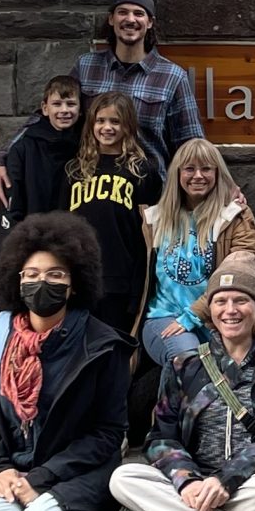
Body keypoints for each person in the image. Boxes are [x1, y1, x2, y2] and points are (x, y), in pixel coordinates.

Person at [0, 214, 132, 511]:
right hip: (11, 468)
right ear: (17, 280)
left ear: (75, 284)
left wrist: (42, 476)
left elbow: (108, 433)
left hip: (74, 472)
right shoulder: (1, 334)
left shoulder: (102, 346)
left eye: (55, 275)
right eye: (32, 275)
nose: (42, 283)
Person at [111, 263, 255, 511]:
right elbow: (161, 438)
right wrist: (186, 480)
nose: (230, 310)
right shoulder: (184, 364)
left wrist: (227, 479)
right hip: (196, 481)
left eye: (241, 300)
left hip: (252, 482)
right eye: (220, 301)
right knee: (123, 478)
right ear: (210, 310)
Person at [0, 0, 201, 208]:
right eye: (123, 12)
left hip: (149, 197)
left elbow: (192, 143)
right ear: (112, 19)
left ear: (150, 22)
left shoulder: (172, 76)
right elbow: (49, 115)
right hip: (89, 193)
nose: (130, 19)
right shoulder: (87, 66)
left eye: (139, 14)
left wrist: (224, 187)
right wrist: (4, 157)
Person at [140, 139, 255, 363]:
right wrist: (182, 321)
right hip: (165, 317)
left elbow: (238, 277)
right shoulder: (154, 219)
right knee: (189, 361)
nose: (198, 175)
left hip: (220, 318)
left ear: (217, 173)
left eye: (206, 168)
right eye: (189, 169)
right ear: (177, 173)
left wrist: (193, 316)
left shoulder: (234, 217)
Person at [66, 92, 160, 340]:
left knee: (113, 356)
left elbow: (149, 239)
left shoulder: (143, 172)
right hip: (78, 279)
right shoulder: (74, 170)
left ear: (128, 125)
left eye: (115, 121)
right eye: (100, 121)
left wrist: (138, 291)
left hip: (120, 283)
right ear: (91, 124)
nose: (107, 127)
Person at [0, 75, 84, 233]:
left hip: (74, 243)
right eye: (57, 104)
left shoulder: (87, 150)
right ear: (45, 108)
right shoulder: (23, 148)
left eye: (71, 104)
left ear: (80, 110)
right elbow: (12, 206)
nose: (64, 110)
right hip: (32, 242)